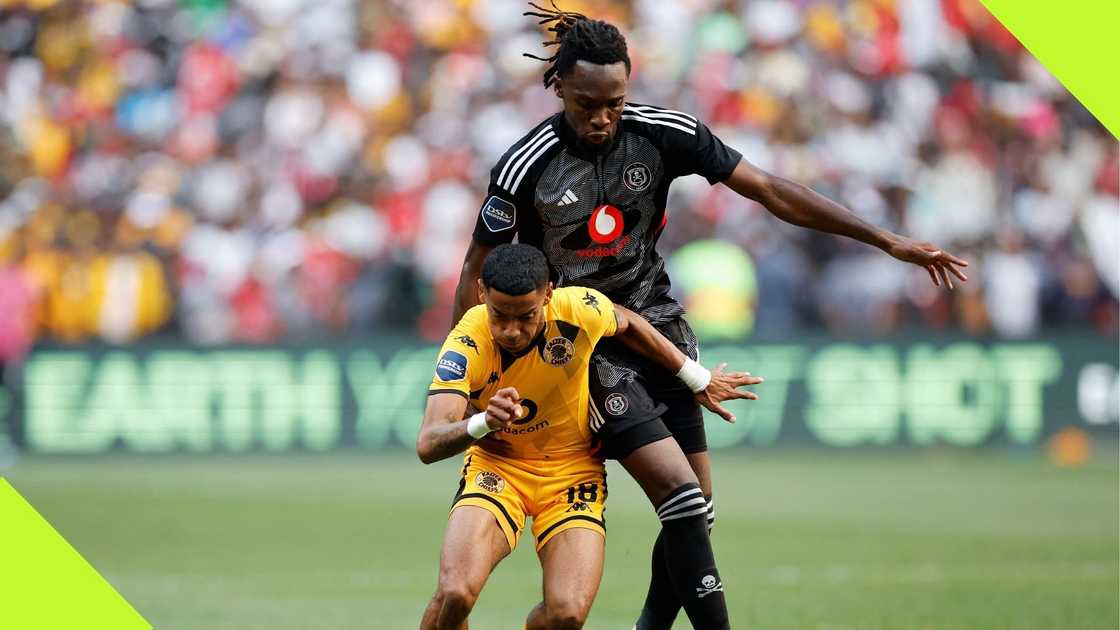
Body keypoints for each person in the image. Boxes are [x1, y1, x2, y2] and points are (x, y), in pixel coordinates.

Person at [452, 4, 970, 628]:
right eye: (588, 103)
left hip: (658, 327)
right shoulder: (524, 164)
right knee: (682, 495)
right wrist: (471, 379)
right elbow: (475, 272)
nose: (602, 117)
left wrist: (888, 241)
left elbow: (771, 189)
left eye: (615, 101)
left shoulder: (664, 133)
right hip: (581, 342)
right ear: (559, 87)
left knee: (697, 512)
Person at [418, 244, 761, 629]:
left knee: (566, 614)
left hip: (572, 472)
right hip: (499, 469)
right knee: (456, 593)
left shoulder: (580, 308)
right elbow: (429, 443)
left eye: (526, 317)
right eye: (499, 316)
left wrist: (694, 377)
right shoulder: (466, 342)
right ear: (481, 293)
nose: (511, 331)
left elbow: (630, 323)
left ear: (547, 294)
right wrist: (482, 422)